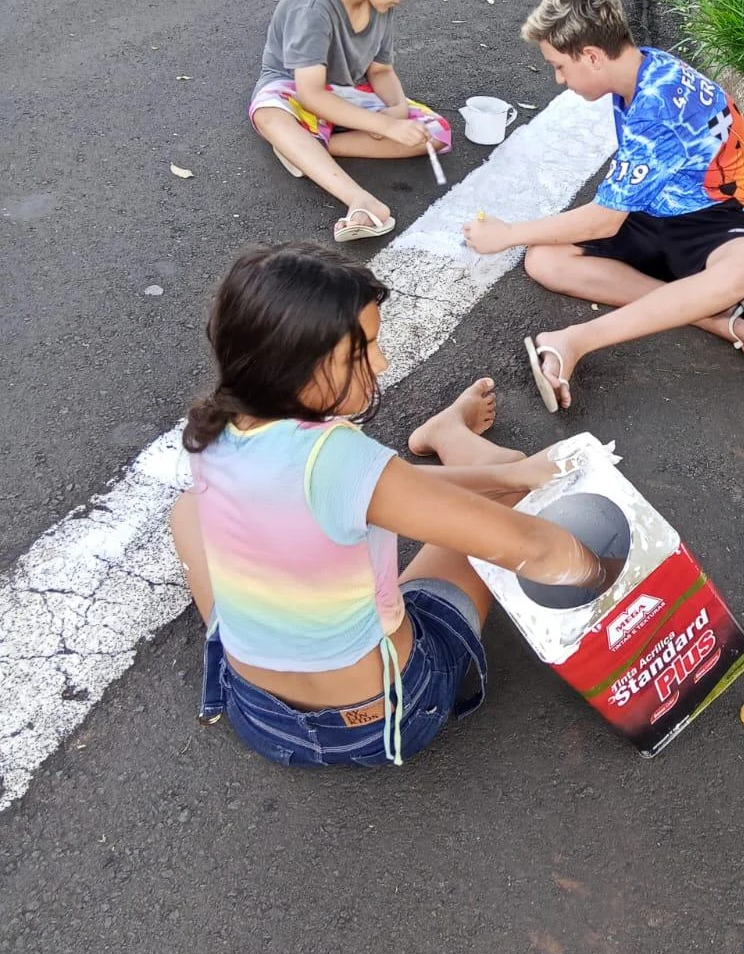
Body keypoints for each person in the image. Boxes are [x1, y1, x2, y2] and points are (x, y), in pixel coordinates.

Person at [170, 242, 605, 769]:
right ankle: (452, 435)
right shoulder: (338, 458)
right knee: (514, 494)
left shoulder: (214, 427)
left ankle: (457, 438)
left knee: (189, 509)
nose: (382, 362)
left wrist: (502, 476)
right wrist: (604, 570)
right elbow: (534, 548)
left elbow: (376, 493)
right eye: (362, 352)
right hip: (383, 720)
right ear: (296, 363)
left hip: (258, 714)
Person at [463, 0, 744, 412]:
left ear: (592, 56)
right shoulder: (646, 65)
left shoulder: (655, 107)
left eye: (559, 66)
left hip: (715, 219)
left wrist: (507, 234)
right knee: (544, 259)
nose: (558, 79)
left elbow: (605, 219)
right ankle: (709, 314)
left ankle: (575, 340)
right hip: (657, 209)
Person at [249, 0, 452, 246]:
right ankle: (360, 199)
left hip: (347, 92)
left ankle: (310, 147)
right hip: (293, 90)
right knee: (268, 115)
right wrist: (385, 126)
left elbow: (381, 70)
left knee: (435, 132)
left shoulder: (380, 4)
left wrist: (398, 109)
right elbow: (311, 93)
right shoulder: (313, 5)